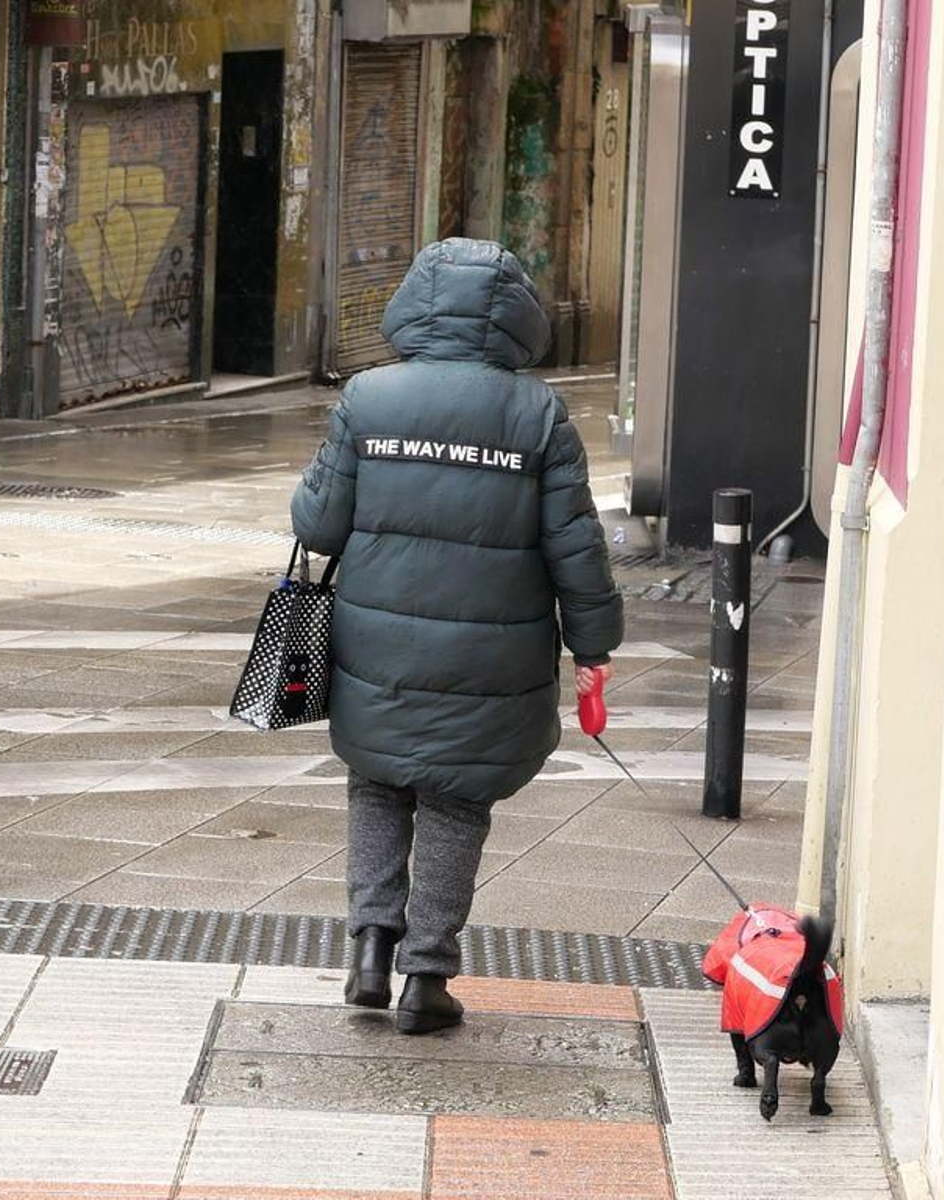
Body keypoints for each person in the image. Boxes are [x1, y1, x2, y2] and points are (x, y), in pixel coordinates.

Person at [291, 238, 623, 1034]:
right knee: (456, 798)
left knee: (375, 783)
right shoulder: (537, 414)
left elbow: (317, 525)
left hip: (377, 643)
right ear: (516, 318)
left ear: (413, 305)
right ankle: (425, 979)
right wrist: (595, 644)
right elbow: (575, 547)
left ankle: (370, 949)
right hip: (491, 653)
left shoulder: (369, 399)